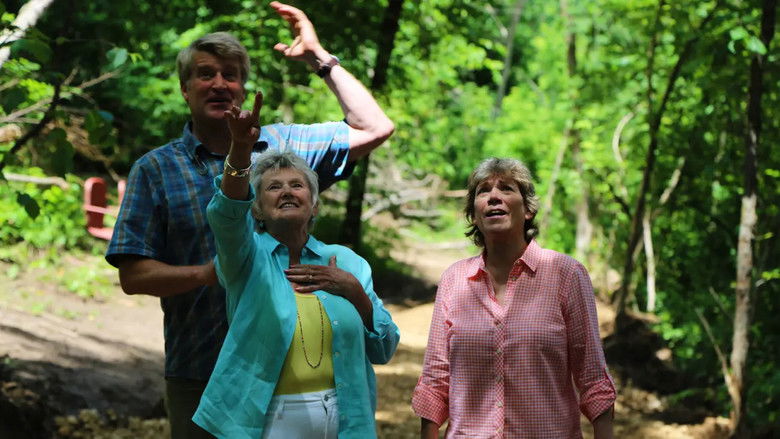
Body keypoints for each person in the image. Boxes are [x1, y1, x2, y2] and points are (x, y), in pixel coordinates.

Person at [105, 2, 394, 437]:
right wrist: (209, 273)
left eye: (231, 75)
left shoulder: (284, 147)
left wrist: (319, 58)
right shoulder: (155, 169)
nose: (220, 83)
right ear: (185, 88)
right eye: (206, 74)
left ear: (243, 88)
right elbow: (133, 274)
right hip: (201, 365)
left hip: (293, 374)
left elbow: (375, 128)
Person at [191, 96, 398, 438]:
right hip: (271, 418)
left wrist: (354, 291)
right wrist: (241, 148)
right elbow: (226, 214)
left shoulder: (348, 262)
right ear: (255, 210)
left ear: (314, 205)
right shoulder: (246, 256)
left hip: (345, 415)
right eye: (273, 187)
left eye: (297, 185)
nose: (286, 191)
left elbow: (384, 348)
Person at [412, 157, 616, 439]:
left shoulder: (566, 274)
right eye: (483, 191)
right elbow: (435, 380)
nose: (494, 196)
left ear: (528, 209)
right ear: (474, 214)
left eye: (507, 188)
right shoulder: (454, 280)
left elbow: (593, 378)